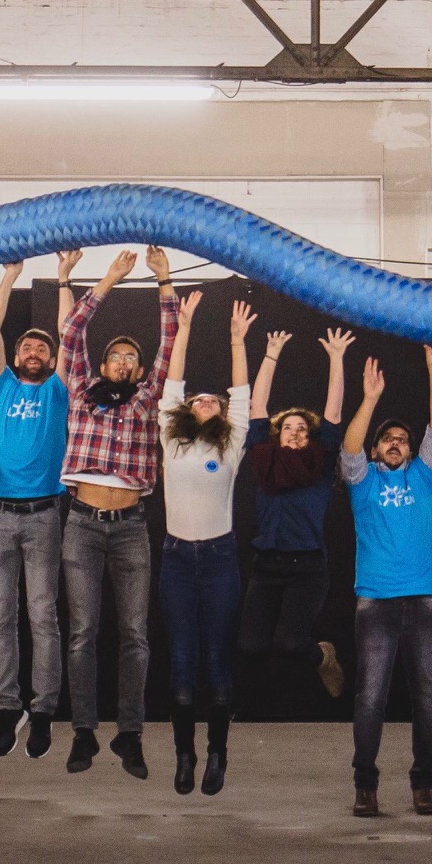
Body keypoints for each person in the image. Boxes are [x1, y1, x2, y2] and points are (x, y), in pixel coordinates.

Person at [56, 245, 180, 780]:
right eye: (117, 357)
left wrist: (163, 281)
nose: (125, 362)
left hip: (131, 527)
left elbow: (170, 340)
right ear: (103, 366)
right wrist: (108, 278)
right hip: (82, 524)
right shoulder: (80, 390)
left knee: (135, 634)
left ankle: (130, 734)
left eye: (132, 357)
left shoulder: (148, 399)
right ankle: (83, 732)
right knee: (83, 632)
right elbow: (71, 333)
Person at [341, 353, 432, 818]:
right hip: (376, 603)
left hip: (424, 601)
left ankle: (424, 785)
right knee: (370, 699)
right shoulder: (362, 482)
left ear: (410, 451)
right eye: (388, 439)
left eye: (403, 440)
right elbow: (349, 448)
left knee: (429, 698)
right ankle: (365, 787)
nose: (396, 443)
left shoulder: (423, 478)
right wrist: (369, 400)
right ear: (376, 450)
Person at [0, 253, 77, 762]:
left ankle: (43, 710)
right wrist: (10, 275)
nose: (34, 350)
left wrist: (63, 279)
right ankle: (7, 705)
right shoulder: (2, 387)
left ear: (52, 358)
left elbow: (70, 332)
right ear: (17, 356)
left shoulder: (59, 391)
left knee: (42, 614)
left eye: (43, 347)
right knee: (0, 615)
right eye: (27, 346)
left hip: (43, 515)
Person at [157, 294, 256, 796]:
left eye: (212, 400)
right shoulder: (170, 439)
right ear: (184, 410)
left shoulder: (230, 444)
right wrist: (184, 326)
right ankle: (185, 755)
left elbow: (242, 395)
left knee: (216, 662)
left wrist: (238, 341)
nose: (204, 402)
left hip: (219, 560)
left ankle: (218, 752)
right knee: (181, 664)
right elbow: (171, 384)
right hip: (176, 561)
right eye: (196, 400)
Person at [237, 325, 351, 718]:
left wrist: (336, 358)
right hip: (267, 565)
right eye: (288, 427)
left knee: (290, 643)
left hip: (308, 568)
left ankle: (323, 655)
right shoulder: (264, 461)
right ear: (277, 434)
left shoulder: (321, 464)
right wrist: (270, 355)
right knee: (250, 646)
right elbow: (257, 406)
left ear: (309, 437)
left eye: (303, 429)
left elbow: (333, 414)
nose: (295, 432)